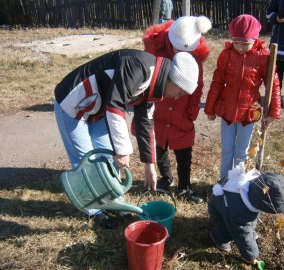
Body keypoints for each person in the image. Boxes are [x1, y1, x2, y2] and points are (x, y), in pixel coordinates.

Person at [54, 49, 199, 227]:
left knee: (108, 160)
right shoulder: (138, 66)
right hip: (73, 103)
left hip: (97, 109)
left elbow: (145, 123)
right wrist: (123, 151)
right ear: (172, 79)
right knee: (86, 161)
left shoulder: (154, 85)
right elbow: (115, 105)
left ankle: (115, 203)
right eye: (180, 92)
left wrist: (149, 165)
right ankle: (94, 211)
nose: (176, 98)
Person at [204, 14, 281, 182]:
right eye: (236, 43)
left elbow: (273, 84)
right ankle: (224, 182)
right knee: (226, 150)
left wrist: (273, 112)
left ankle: (237, 183)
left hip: (249, 111)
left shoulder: (263, 56)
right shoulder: (226, 55)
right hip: (227, 111)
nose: (239, 47)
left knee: (241, 151)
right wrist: (210, 108)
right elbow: (217, 82)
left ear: (255, 40)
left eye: (245, 44)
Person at [143, 16, 212, 202]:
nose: (181, 54)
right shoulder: (157, 55)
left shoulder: (195, 62)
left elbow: (197, 89)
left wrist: (191, 112)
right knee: (159, 147)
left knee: (184, 152)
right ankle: (166, 178)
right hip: (160, 112)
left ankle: (184, 186)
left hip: (182, 114)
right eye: (177, 49)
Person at [208, 163, 284, 270]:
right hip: (219, 209)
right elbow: (242, 234)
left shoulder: (257, 186)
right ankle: (219, 236)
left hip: (230, 204)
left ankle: (244, 229)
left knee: (248, 220)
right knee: (232, 229)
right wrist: (251, 256)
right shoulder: (239, 211)